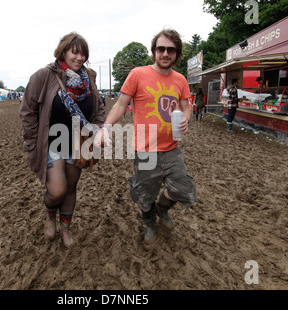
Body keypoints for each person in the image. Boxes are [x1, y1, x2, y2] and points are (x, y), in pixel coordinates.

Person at [94, 29, 197, 243]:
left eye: (171, 50)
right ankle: (149, 223)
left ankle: (162, 209)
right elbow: (121, 105)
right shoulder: (137, 74)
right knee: (144, 195)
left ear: (177, 54)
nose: (165, 53)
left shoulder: (180, 80)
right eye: (161, 48)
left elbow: (186, 107)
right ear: (154, 51)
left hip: (171, 149)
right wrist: (105, 127)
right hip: (145, 151)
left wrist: (186, 118)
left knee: (182, 189)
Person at [19, 32, 106, 247]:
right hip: (52, 142)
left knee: (71, 187)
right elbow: (27, 111)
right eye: (74, 52)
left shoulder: (89, 77)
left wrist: (100, 129)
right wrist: (31, 141)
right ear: (63, 51)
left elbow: (99, 107)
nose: (79, 58)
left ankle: (65, 227)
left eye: (83, 54)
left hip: (77, 142)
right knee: (57, 190)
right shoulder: (44, 76)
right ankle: (50, 215)